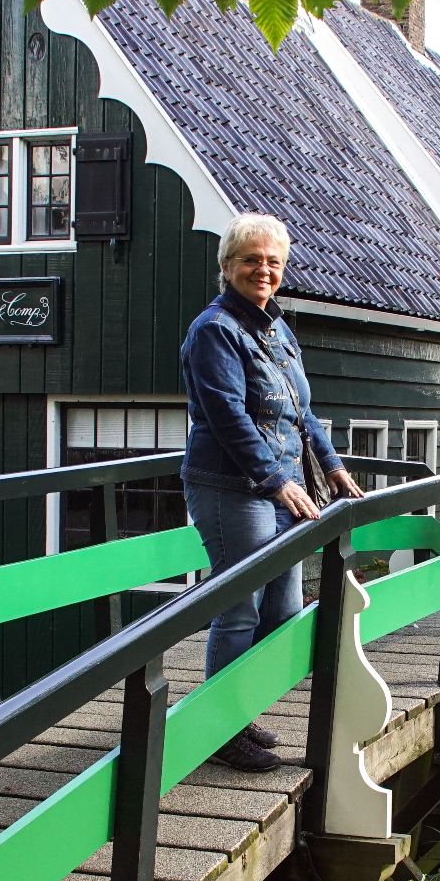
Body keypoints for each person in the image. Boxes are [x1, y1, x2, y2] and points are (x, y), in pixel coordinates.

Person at [180, 213, 363, 771]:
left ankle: (240, 708)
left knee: (283, 609)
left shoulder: (277, 329)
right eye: (251, 260)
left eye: (273, 261)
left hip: (284, 487)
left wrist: (331, 466)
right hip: (233, 488)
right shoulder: (214, 330)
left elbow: (302, 412)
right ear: (227, 265)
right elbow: (228, 417)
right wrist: (277, 481)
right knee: (240, 607)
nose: (263, 270)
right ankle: (218, 729)